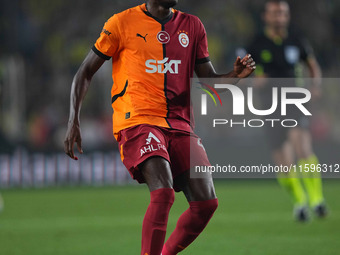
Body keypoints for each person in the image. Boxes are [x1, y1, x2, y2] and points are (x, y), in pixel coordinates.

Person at [64, 1, 255, 254]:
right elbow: (84, 72)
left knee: (206, 203)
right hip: (138, 120)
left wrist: (234, 76)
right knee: (163, 193)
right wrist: (73, 120)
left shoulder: (193, 25)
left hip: (179, 123)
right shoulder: (121, 23)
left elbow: (208, 82)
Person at [247, 0, 327, 221]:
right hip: (269, 106)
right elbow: (242, 71)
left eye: (283, 13)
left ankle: (317, 200)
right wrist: (253, 80)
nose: (280, 17)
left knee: (302, 147)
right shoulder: (256, 43)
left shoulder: (296, 39)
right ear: (265, 16)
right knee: (283, 160)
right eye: (275, 13)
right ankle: (300, 203)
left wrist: (316, 86)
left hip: (294, 101)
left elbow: (312, 66)